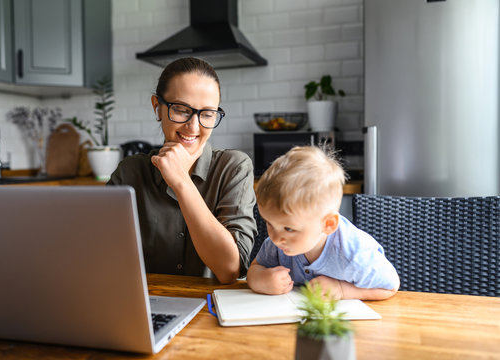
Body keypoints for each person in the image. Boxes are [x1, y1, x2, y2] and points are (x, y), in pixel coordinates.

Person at [108, 57, 257, 284]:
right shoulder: (129, 172)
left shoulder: (234, 167)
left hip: (211, 309)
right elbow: (100, 256)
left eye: (207, 114)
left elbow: (229, 270)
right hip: (146, 305)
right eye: (180, 109)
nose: (193, 126)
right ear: (157, 107)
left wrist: (181, 182)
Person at [247, 145, 399, 300]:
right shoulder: (278, 244)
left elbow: (390, 286)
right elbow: (255, 268)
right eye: (269, 223)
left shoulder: (353, 254)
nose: (276, 237)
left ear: (328, 225)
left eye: (289, 229)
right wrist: (261, 280)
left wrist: (342, 290)